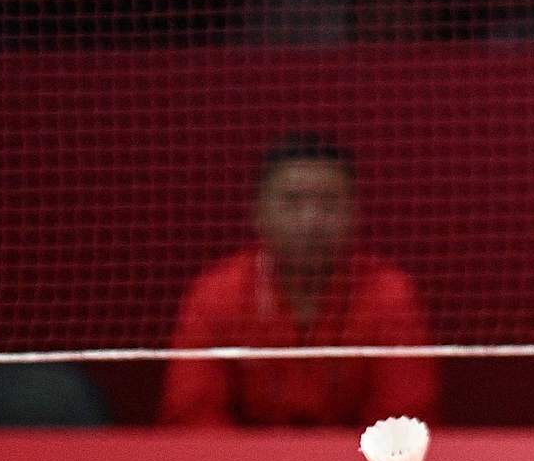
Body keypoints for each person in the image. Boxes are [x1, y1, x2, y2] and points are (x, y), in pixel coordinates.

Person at [161, 133, 437, 427]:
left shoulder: (390, 295)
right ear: (259, 212)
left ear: (355, 213)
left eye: (329, 204)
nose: (310, 221)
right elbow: (192, 415)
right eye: (292, 202)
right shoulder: (217, 294)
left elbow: (403, 417)